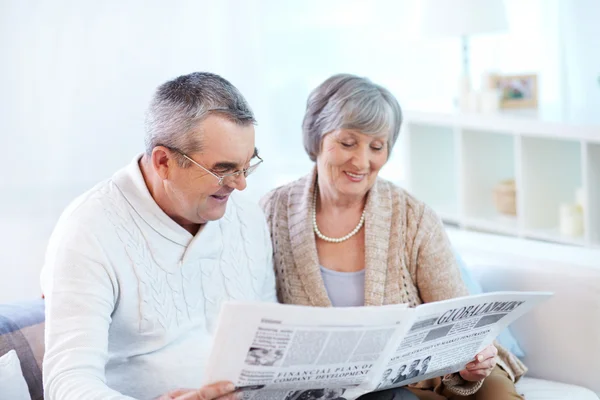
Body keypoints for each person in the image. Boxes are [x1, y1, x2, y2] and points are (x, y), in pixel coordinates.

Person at [260, 74, 526, 400]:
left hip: (427, 374)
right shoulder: (273, 213)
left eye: (377, 147)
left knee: (495, 393)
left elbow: (457, 318)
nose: (362, 161)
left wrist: (471, 360)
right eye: (347, 143)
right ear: (316, 138)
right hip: (336, 385)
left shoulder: (413, 217)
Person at [41, 72, 277, 400]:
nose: (241, 184)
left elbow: (269, 334)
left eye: (246, 166)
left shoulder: (248, 217)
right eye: (223, 170)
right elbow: (66, 382)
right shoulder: (88, 230)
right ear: (164, 162)